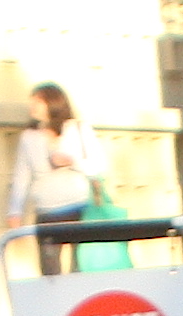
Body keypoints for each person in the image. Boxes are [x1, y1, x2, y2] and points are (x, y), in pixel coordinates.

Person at [9, 80, 112, 275]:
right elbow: (21, 175)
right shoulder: (28, 137)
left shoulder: (77, 129)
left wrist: (71, 161)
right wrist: (15, 210)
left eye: (38, 102)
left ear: (53, 103)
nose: (33, 107)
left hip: (78, 207)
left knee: (79, 267)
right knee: (50, 271)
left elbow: (99, 165)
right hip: (47, 211)